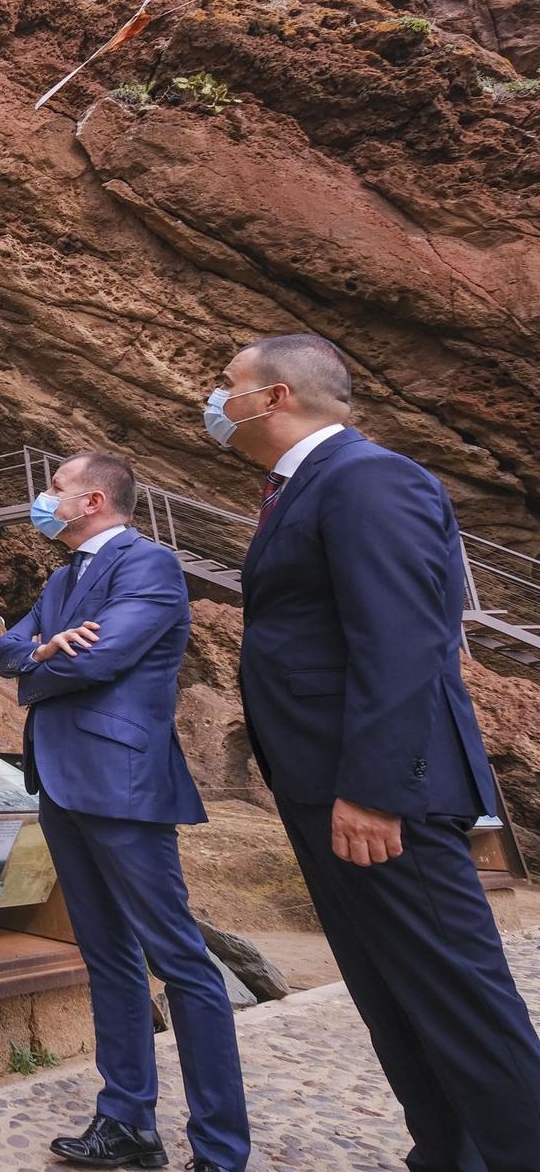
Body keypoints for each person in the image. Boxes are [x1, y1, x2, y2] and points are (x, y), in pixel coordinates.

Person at [210, 333, 540, 1172]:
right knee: (394, 995)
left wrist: (375, 789)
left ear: (277, 396)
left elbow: (401, 642)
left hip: (379, 798)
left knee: (461, 1000)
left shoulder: (367, 478)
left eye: (226, 385)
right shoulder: (301, 489)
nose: (214, 400)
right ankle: (447, 1152)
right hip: (329, 792)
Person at [0, 452, 247, 1172]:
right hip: (62, 782)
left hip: (123, 785)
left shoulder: (148, 565)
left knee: (181, 962)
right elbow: (0, 650)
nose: (44, 500)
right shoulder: (63, 578)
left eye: (55, 489)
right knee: (107, 958)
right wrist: (39, 645)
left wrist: (36, 659)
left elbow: (99, 661)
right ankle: (127, 1125)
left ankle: (221, 1149)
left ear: (93, 499)